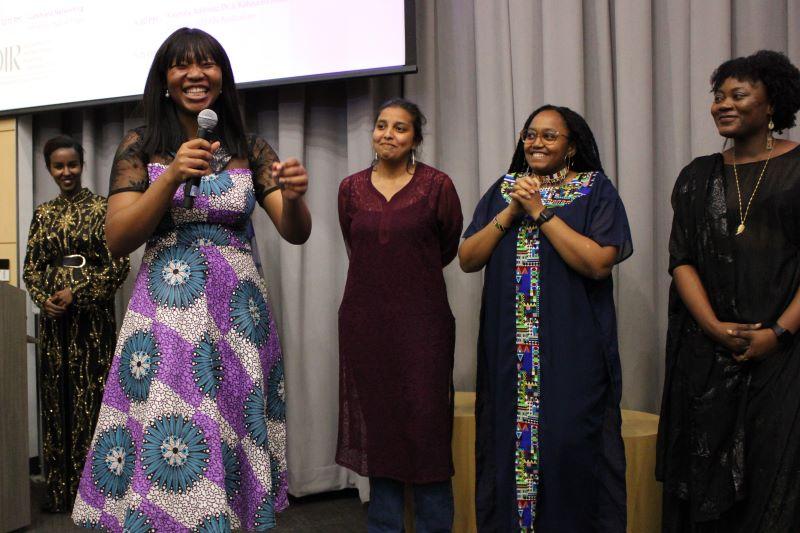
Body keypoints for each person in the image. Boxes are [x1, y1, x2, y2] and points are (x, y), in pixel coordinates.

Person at [71, 28, 311, 531]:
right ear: (164, 80)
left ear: (222, 79)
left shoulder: (251, 146)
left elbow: (295, 232)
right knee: (175, 436)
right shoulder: (141, 145)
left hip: (238, 322)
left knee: (229, 435)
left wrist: (292, 197)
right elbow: (117, 238)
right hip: (166, 320)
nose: (196, 74)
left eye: (208, 64)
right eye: (182, 66)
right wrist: (173, 176)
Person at [459, 105, 632, 532]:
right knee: (507, 450)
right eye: (530, 134)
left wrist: (540, 211)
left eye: (549, 136)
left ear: (572, 146)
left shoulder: (595, 190)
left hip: (573, 354)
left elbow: (598, 263)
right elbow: (468, 258)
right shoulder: (504, 190)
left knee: (569, 448)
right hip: (510, 357)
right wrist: (512, 211)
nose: (536, 143)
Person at [657, 50, 800, 532]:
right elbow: (681, 261)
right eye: (718, 96)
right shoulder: (697, 176)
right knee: (704, 487)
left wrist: (778, 333)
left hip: (785, 358)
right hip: (706, 359)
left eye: (739, 94)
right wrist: (715, 328)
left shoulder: (799, 168)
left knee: (775, 484)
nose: (723, 104)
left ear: (772, 103)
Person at [337, 98, 463, 532]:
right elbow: (358, 248)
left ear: (416, 139)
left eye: (400, 128)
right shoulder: (351, 188)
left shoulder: (437, 186)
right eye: (381, 126)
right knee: (382, 435)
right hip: (365, 325)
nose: (387, 134)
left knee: (428, 436)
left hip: (424, 326)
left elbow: (446, 247)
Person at [23, 135, 130, 513]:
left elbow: (119, 263)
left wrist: (77, 292)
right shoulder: (43, 213)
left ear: (82, 165)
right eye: (58, 166)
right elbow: (31, 268)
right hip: (54, 323)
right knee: (57, 404)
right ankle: (60, 494)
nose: (65, 172)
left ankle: (99, 496)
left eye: (72, 164)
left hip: (93, 323)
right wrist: (43, 299)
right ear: (49, 169)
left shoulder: (104, 208)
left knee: (94, 402)